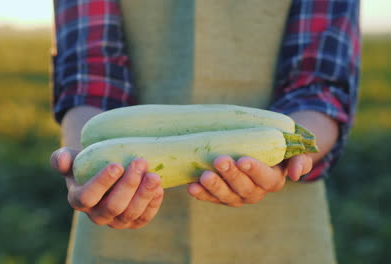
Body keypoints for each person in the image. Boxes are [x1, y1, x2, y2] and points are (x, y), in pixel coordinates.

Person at [50, 0, 360, 263]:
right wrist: (83, 162)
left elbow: (320, 84)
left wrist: (293, 159)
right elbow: (88, 75)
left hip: (283, 228)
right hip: (117, 227)